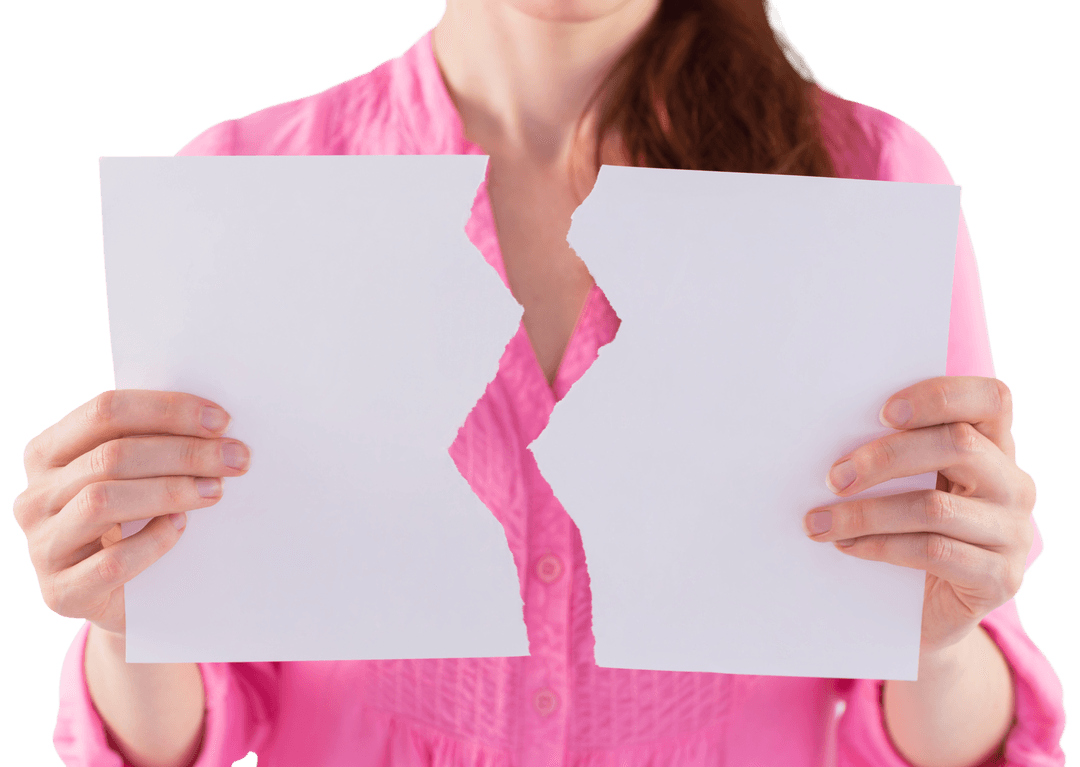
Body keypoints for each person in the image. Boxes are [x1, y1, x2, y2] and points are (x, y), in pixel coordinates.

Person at [14, 0, 1065, 765]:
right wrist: (129, 616)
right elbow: (194, 721)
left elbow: (950, 740)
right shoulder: (243, 191)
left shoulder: (866, 182)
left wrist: (941, 639)